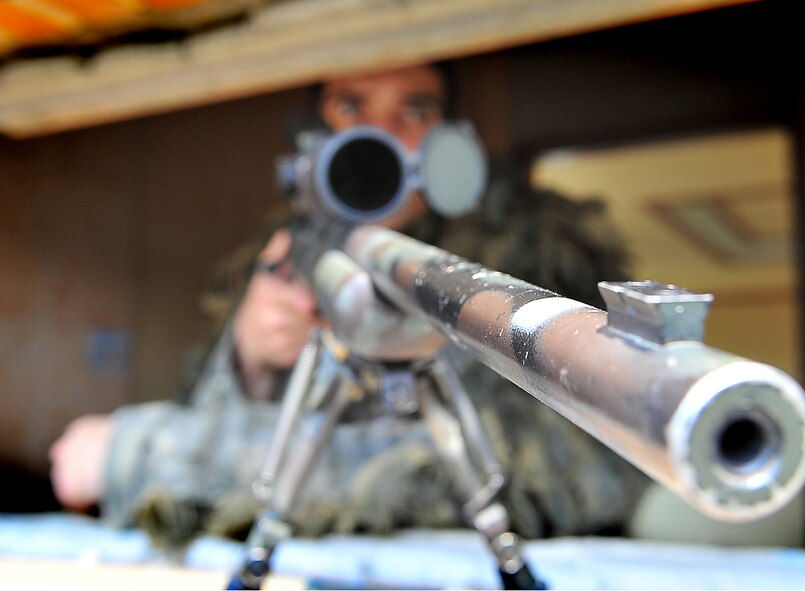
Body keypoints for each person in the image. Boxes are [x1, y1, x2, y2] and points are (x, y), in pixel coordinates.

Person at [49, 63, 646, 546]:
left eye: (415, 111)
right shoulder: (287, 252)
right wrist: (250, 362)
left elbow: (517, 468)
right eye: (350, 107)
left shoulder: (522, 261)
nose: (379, 136)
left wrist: (146, 455)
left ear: (447, 142)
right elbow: (212, 412)